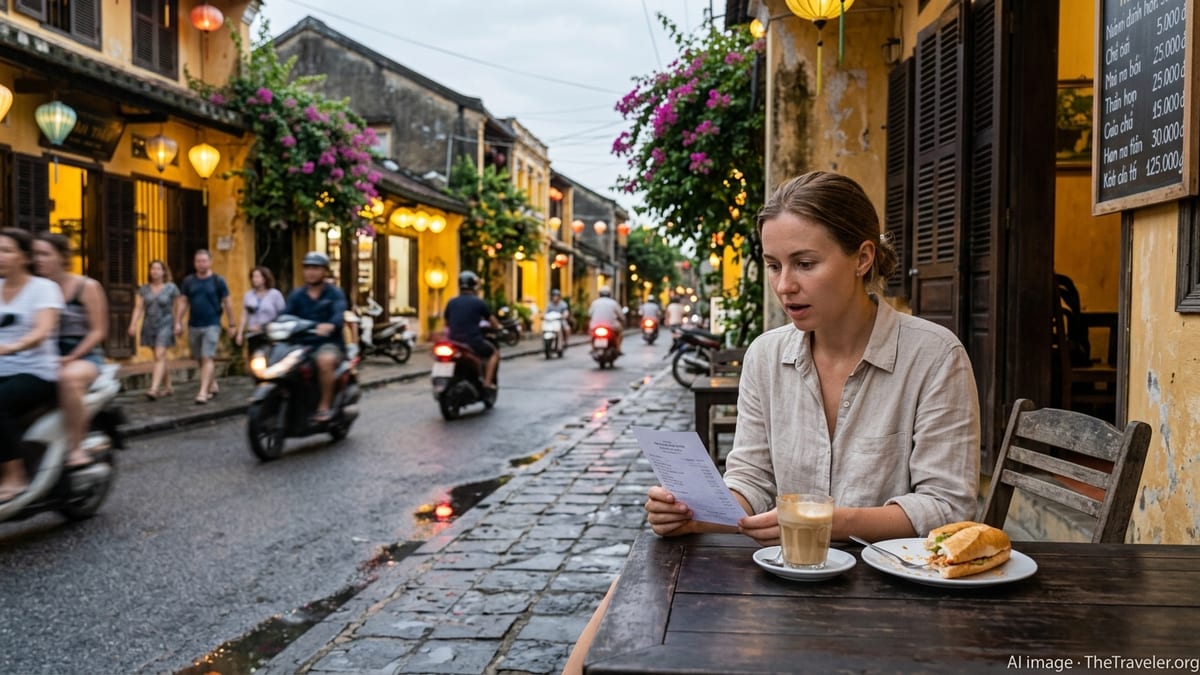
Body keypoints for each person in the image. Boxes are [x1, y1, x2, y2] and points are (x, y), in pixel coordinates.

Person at [564, 171, 981, 673]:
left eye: (805, 263)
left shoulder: (934, 356)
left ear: (862, 258)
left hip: (892, 594)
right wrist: (696, 513)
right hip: (780, 579)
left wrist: (830, 522)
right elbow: (751, 479)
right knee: (623, 610)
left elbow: (948, 507)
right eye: (774, 265)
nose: (785, 285)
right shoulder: (766, 355)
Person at [32, 233, 109, 468]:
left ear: (62, 257)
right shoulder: (33, 288)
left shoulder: (85, 286)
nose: (38, 259)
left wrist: (72, 357)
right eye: (35, 254)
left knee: (68, 379)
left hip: (82, 354)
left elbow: (98, 331)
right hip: (42, 354)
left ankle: (76, 447)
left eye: (45, 254)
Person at [0, 228, 64, 501]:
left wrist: (12, 347)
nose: (0, 256)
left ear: (24, 257)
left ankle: (15, 476)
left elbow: (43, 330)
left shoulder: (44, 289)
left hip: (36, 372)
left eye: (7, 250)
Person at [283, 252, 347, 422]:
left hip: (328, 344)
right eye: (307, 268)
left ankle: (324, 405)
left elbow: (339, 313)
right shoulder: (297, 295)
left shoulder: (335, 293)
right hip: (301, 344)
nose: (310, 272)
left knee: (324, 361)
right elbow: (285, 315)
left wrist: (331, 325)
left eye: (315, 268)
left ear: (325, 271)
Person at [175, 249, 234, 405]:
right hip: (194, 324)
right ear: (195, 263)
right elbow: (183, 301)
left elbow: (228, 302)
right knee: (200, 358)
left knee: (207, 356)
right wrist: (178, 321)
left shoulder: (218, 281)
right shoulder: (189, 281)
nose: (201, 264)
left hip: (212, 324)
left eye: (204, 261)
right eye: (198, 261)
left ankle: (203, 391)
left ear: (210, 262)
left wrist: (232, 323)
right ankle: (212, 382)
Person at [129, 260, 180, 400]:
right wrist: (133, 324)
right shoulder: (144, 289)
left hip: (166, 323)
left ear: (164, 272)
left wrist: (178, 324)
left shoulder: (171, 288)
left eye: (158, 269)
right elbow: (139, 308)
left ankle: (153, 389)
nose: (155, 271)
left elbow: (177, 308)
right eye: (152, 269)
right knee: (160, 357)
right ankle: (168, 387)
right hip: (149, 324)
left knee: (159, 354)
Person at [443, 270, 500, 389]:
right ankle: (487, 383)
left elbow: (447, 323)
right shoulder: (479, 303)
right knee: (494, 353)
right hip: (473, 341)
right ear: (474, 286)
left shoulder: (451, 302)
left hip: (453, 342)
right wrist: (499, 328)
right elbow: (493, 322)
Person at [236, 265, 285, 355]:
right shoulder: (248, 295)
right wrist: (240, 333)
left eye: (257, 277)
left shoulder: (275, 295)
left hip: (270, 334)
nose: (255, 279)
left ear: (265, 278)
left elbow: (282, 315)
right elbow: (244, 314)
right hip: (253, 334)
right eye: (253, 277)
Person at [587, 286, 624, 355]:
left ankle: (592, 348)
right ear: (609, 294)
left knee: (590, 333)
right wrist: (622, 319)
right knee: (620, 333)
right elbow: (621, 315)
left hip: (595, 326)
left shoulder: (595, 302)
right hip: (611, 325)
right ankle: (618, 348)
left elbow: (589, 314)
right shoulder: (614, 303)